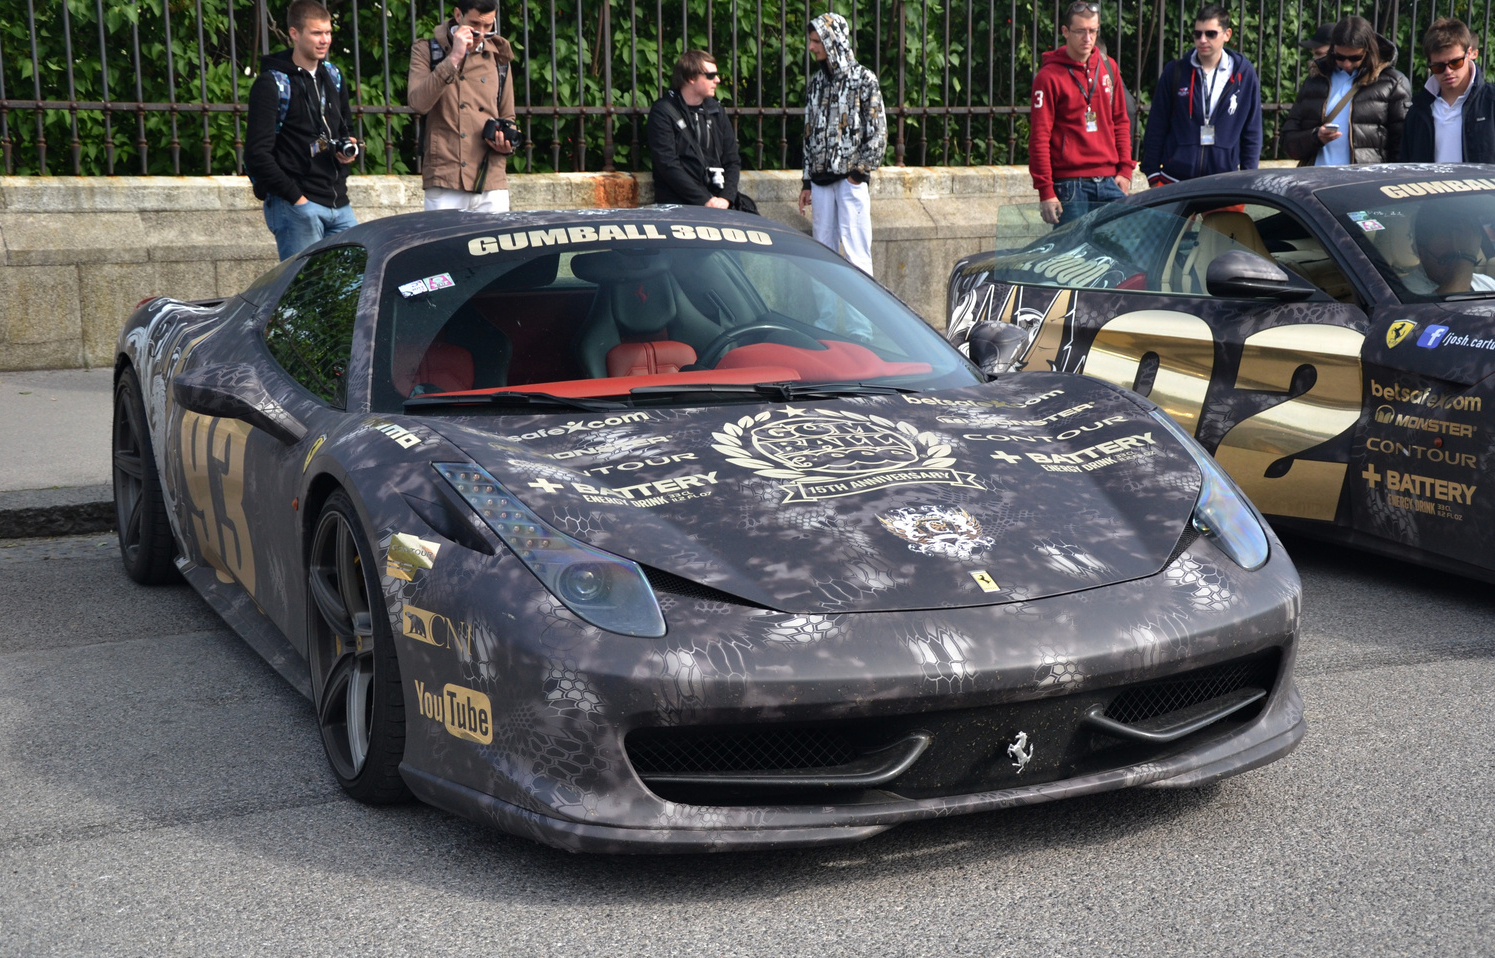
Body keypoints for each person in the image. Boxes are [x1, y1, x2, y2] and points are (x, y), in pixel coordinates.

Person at [244, 0, 359, 261]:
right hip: (297, 205)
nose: (324, 40)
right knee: (304, 292)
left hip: (338, 203)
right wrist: (297, 199)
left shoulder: (333, 76)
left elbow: (346, 127)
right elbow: (256, 155)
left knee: (355, 285)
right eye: (316, 33)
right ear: (295, 33)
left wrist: (347, 147)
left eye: (328, 32)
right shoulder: (272, 84)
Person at [1027, 1, 1134, 226]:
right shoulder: (1048, 77)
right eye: (1080, 31)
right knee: (1071, 257)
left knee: (1120, 250)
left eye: (1093, 31)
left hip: (1109, 179)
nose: (1088, 38)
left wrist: (1125, 170)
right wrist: (1046, 190)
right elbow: (1039, 136)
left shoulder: (1107, 66)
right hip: (1069, 184)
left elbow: (1121, 121)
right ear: (1065, 32)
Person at [796, 12, 887, 275]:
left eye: (816, 41)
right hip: (820, 183)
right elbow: (809, 134)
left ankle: (862, 318)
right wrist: (806, 181)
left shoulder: (863, 79)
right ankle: (824, 318)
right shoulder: (815, 83)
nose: (811, 47)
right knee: (822, 258)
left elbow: (878, 132)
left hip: (851, 181)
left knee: (857, 256)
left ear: (833, 40)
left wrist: (858, 173)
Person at [407, 0, 517, 213]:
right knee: (443, 247)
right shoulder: (427, 50)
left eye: (488, 26)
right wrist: (454, 58)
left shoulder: (499, 56)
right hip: (445, 180)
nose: (482, 33)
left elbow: (508, 114)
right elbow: (418, 103)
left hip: (490, 179)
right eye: (475, 24)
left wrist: (506, 143)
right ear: (458, 15)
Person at [1139, 5, 1261, 187]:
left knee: (1226, 218)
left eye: (1210, 34)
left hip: (1225, 182)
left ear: (1227, 34)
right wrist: (1153, 174)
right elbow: (1157, 124)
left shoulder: (1244, 73)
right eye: (1198, 34)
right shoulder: (1176, 71)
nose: (1202, 40)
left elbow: (1252, 130)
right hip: (1174, 180)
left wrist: (1247, 178)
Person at [1279, 16, 1410, 166]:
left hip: (1363, 184)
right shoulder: (1316, 79)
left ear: (1369, 50)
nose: (1346, 64)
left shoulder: (1392, 82)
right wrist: (1316, 137)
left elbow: (1402, 147)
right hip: (1316, 181)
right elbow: (1288, 141)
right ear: (1332, 50)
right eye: (1340, 57)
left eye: (1355, 58)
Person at [646, 50, 743, 209]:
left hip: (720, 203)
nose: (717, 80)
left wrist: (726, 198)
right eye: (710, 76)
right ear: (691, 78)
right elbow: (668, 164)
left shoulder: (716, 110)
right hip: (679, 206)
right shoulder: (663, 112)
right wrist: (705, 200)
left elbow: (732, 161)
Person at [1400, 18, 1495, 163]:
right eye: (1438, 67)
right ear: (1430, 63)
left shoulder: (1490, 101)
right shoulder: (1418, 110)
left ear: (1469, 53)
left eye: (1455, 62)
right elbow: (1405, 166)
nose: (1448, 71)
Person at [1405, 202, 1495, 295]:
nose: (1459, 266)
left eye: (1470, 260)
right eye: (1448, 258)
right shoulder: (1405, 291)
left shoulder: (1486, 282)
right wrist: (1466, 257)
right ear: (1420, 253)